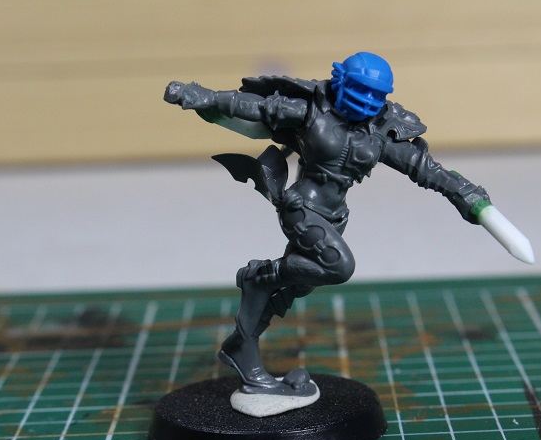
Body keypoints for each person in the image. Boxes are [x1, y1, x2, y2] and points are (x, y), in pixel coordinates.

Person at [164, 52, 491, 402]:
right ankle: (259, 276)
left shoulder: (379, 131)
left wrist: (463, 192)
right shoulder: (311, 112)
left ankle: (242, 346)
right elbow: (255, 107)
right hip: (302, 208)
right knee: (339, 267)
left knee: (300, 285)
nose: (367, 100)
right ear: (341, 80)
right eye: (361, 89)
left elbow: (422, 167)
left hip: (336, 216)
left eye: (376, 94)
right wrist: (203, 96)